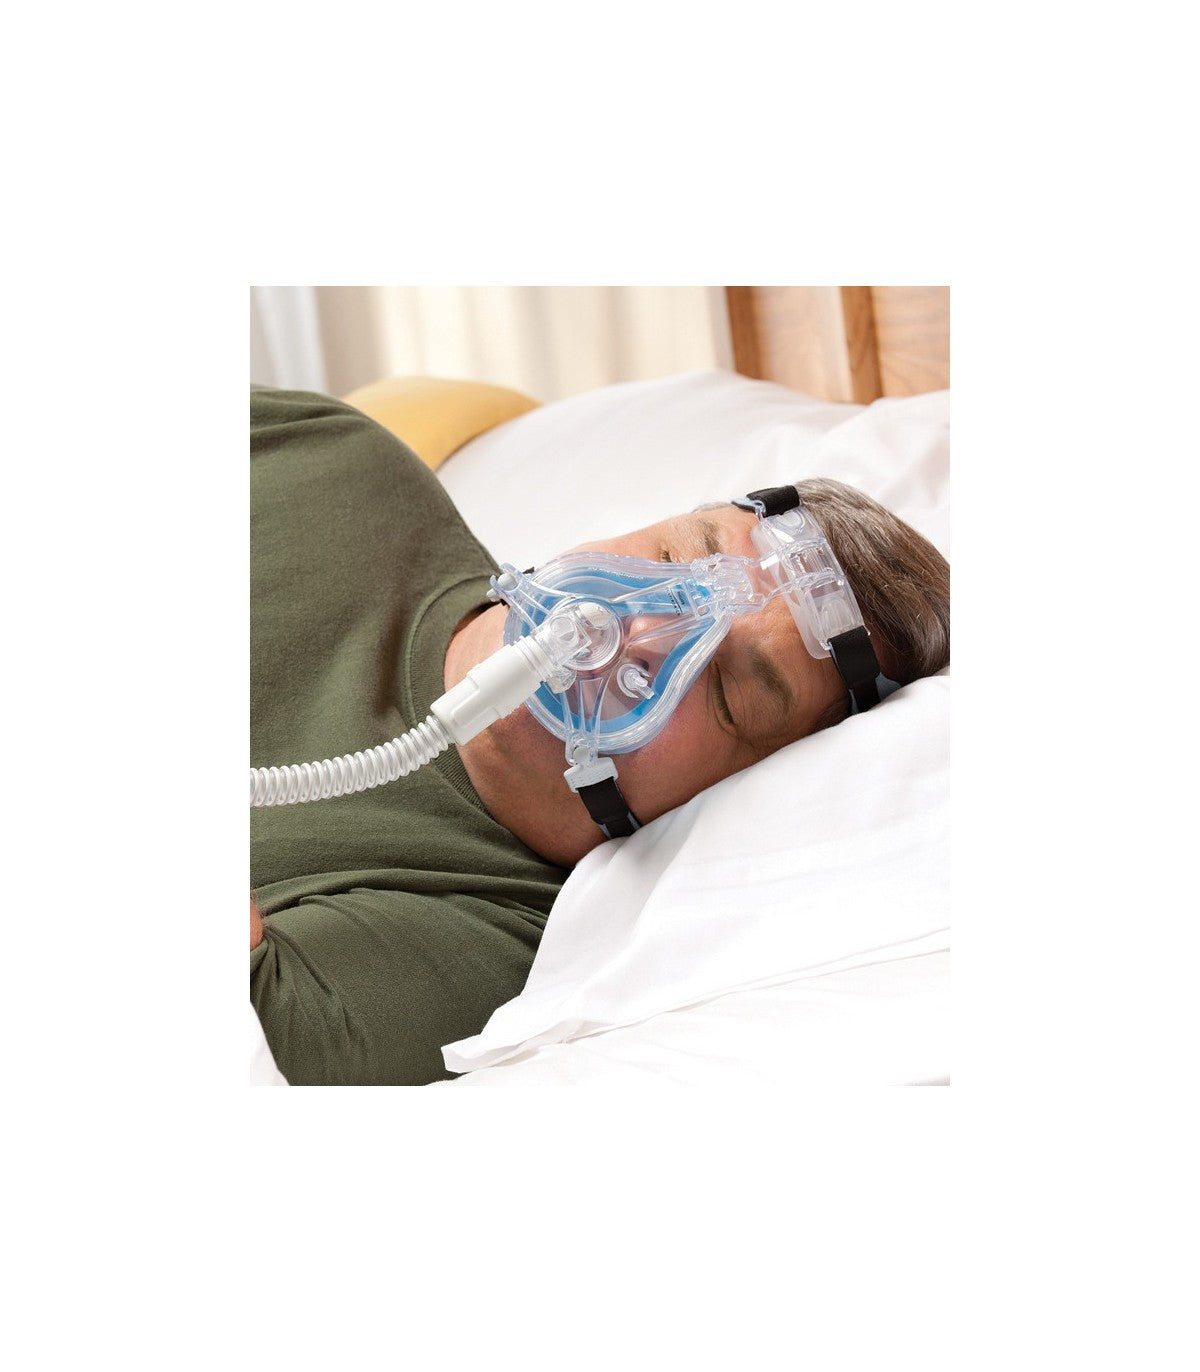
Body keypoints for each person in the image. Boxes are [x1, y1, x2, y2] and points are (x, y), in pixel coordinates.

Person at [250, 385, 950, 1085]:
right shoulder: (326, 460)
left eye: (727, 693)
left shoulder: (464, 957)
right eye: (674, 558)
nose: (638, 629)